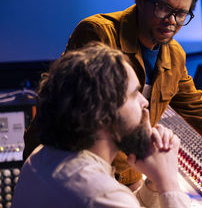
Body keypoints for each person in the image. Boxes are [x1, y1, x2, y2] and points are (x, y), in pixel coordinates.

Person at [24, 0, 202, 190]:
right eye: (164, 8)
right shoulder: (99, 34)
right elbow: (61, 110)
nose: (172, 21)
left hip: (127, 172)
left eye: (181, 14)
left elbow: (195, 105)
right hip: (77, 171)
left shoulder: (174, 54)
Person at [12, 43, 191, 208]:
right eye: (134, 93)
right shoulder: (99, 194)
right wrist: (169, 183)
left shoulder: (42, 156)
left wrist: (154, 180)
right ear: (101, 115)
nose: (144, 102)